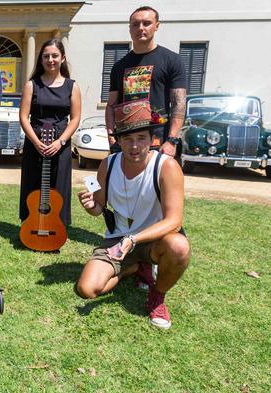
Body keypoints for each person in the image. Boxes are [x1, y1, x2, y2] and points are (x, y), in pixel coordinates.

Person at [76, 100, 191, 329]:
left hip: (154, 241)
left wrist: (133, 239)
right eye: (128, 139)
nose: (134, 146)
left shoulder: (166, 166)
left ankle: (157, 297)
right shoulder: (108, 165)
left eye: (141, 138)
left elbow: (174, 221)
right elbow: (99, 208)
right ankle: (135, 268)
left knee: (179, 247)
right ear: (118, 141)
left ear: (152, 140)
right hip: (117, 239)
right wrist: (90, 205)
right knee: (86, 289)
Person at [106, 5, 187, 157]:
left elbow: (179, 103)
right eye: (135, 24)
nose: (140, 28)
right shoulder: (118, 66)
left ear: (157, 26)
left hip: (159, 144)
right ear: (129, 29)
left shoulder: (172, 60)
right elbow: (111, 105)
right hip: (126, 143)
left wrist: (171, 140)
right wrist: (111, 138)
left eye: (146, 23)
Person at [19, 38, 81, 227]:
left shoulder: (72, 86)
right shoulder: (32, 85)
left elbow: (75, 118)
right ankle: (30, 222)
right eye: (46, 56)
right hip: (34, 142)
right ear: (41, 60)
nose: (50, 60)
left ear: (62, 58)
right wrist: (36, 142)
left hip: (60, 144)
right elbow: (23, 117)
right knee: (32, 182)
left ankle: (57, 224)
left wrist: (60, 142)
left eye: (55, 55)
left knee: (58, 184)